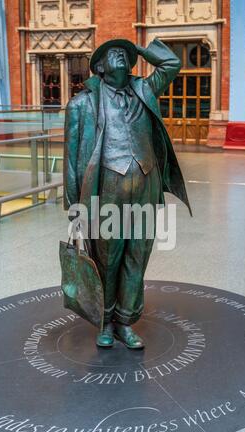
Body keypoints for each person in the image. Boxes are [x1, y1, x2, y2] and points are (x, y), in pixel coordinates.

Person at [64, 38, 191, 350]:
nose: (120, 55)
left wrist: (140, 48)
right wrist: (75, 208)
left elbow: (171, 64)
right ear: (99, 67)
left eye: (125, 54)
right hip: (107, 190)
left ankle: (125, 321)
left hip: (145, 186)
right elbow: (70, 160)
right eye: (112, 53)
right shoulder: (81, 105)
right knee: (107, 259)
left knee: (137, 255)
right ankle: (105, 321)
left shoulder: (144, 90)